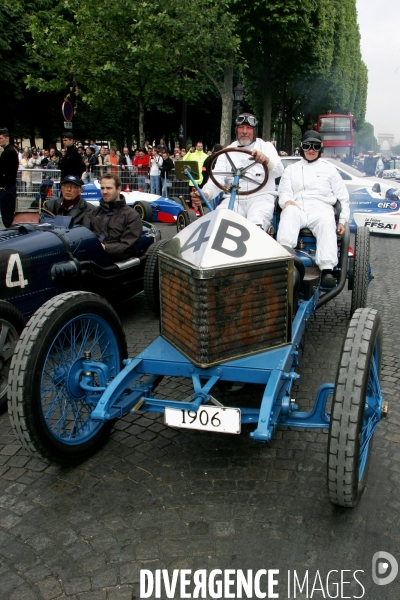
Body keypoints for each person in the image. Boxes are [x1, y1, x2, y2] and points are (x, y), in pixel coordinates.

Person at [276, 130, 350, 288]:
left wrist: (343, 220)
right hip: (298, 207)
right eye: (307, 146)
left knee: (326, 221)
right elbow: (284, 192)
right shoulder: (291, 170)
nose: (311, 150)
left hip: (320, 208)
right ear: (302, 147)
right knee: (289, 212)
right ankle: (285, 258)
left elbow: (343, 197)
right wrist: (287, 201)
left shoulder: (330, 170)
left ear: (320, 149)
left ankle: (327, 270)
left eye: (315, 146)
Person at [192, 113, 284, 232]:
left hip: (261, 197)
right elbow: (217, 179)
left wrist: (266, 160)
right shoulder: (226, 152)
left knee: (256, 221)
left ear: (254, 131)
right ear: (236, 130)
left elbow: (279, 170)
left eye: (249, 128)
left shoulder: (266, 147)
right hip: (234, 198)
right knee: (220, 220)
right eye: (241, 127)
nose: (244, 131)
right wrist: (205, 194)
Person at [82, 173, 142, 262]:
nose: (105, 192)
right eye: (102, 188)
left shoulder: (131, 216)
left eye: (109, 188)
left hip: (113, 264)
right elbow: (83, 237)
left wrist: (104, 247)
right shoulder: (92, 213)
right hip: (90, 259)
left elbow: (128, 247)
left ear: (118, 189)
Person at [0, 127, 19, 227]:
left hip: (7, 188)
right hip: (7, 188)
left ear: (7, 138)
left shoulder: (9, 152)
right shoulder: (7, 151)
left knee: (7, 217)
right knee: (7, 215)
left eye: (1, 138)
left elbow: (10, 173)